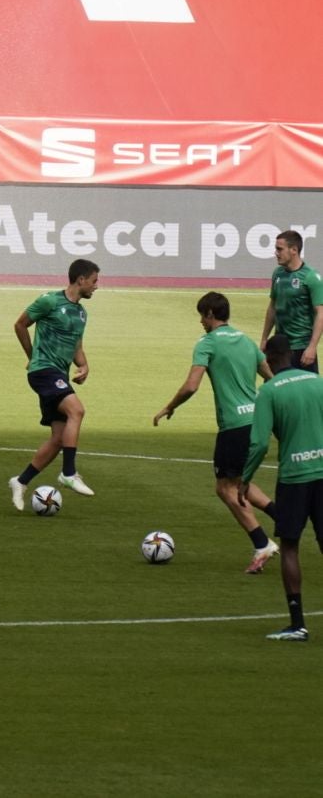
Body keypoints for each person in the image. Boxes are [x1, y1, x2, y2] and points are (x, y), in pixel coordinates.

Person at [153, 292, 279, 572]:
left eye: (201, 315)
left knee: (224, 488)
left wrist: (169, 407)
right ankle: (280, 515)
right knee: (239, 480)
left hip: (233, 426)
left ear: (210, 314)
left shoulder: (207, 343)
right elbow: (269, 377)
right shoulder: (246, 341)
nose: (200, 321)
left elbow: (191, 386)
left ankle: (262, 544)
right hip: (256, 422)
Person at [240, 335, 323, 642]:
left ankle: (298, 624)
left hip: (294, 478)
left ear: (270, 357)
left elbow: (259, 443)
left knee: (290, 546)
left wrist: (246, 479)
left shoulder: (269, 392)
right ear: (290, 354)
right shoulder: (318, 382)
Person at [8, 259, 100, 509]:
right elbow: (20, 324)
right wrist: (32, 356)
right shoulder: (49, 301)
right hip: (43, 371)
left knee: (59, 438)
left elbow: (76, 345)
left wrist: (84, 365)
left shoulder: (82, 312)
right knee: (77, 410)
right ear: (80, 280)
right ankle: (68, 473)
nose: (96, 286)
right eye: (94, 281)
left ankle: (21, 481)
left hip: (58, 373)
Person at [259, 230, 323, 372]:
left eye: (279, 249)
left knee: (306, 392)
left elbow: (321, 313)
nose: (276, 253)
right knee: (276, 389)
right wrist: (264, 338)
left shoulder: (311, 277)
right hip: (279, 347)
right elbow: (273, 307)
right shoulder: (278, 274)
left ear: (294, 250)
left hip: (301, 348)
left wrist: (312, 347)